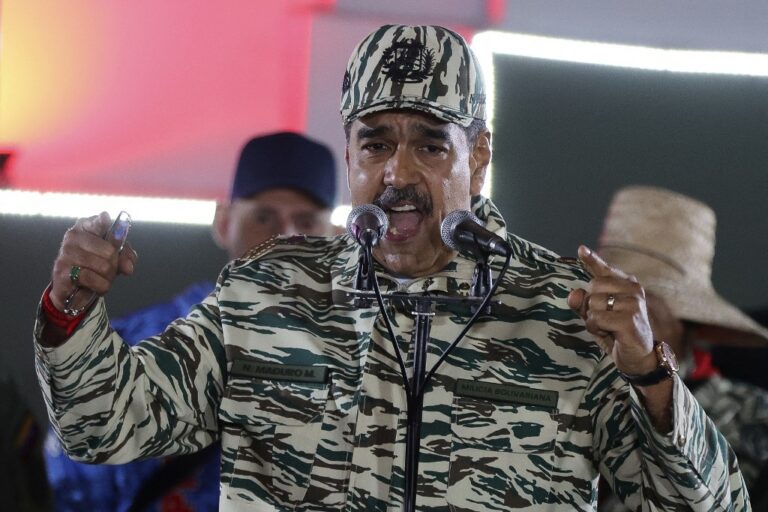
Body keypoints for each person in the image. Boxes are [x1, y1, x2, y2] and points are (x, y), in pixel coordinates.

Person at [34, 24, 748, 510]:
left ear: (479, 157)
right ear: (349, 153)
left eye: (431, 146)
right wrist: (73, 313)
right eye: (375, 145)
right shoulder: (267, 293)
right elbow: (104, 426)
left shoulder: (563, 313)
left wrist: (652, 379)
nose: (397, 174)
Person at [42, 131, 338, 511]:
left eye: (306, 222)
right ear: (223, 222)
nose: (284, 238)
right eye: (263, 217)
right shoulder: (139, 344)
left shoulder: (363, 363)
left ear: (336, 238)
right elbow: (71, 485)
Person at [595, 185, 768, 509]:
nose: (624, 330)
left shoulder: (749, 415)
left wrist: (652, 375)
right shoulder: (575, 396)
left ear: (686, 327)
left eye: (643, 316)